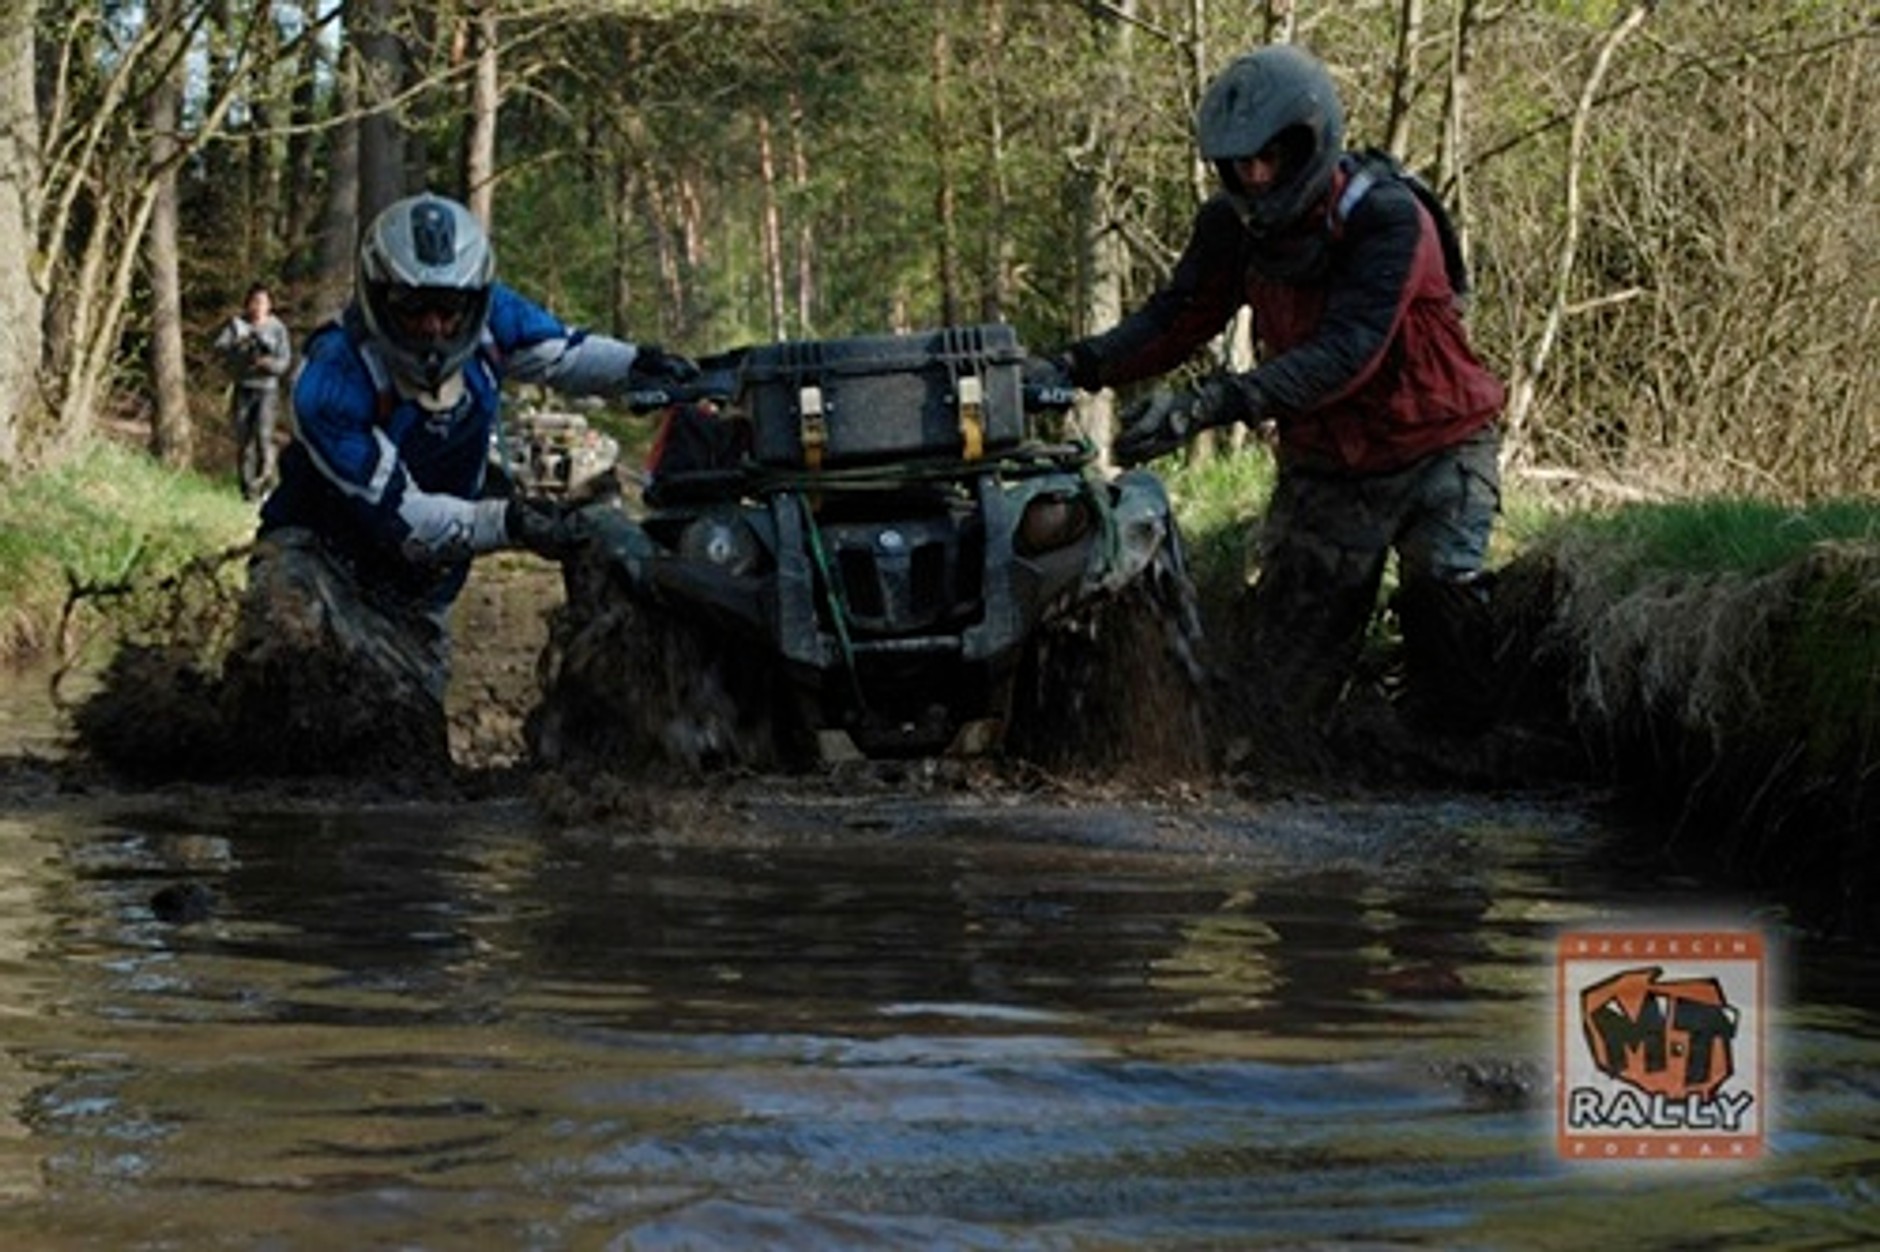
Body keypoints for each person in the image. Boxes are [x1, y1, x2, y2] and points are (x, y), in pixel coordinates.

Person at [1039, 45, 1507, 761]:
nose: (1255, 176)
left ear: (1310, 143)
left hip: (1436, 450)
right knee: (1278, 698)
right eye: (1239, 164)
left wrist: (1208, 404)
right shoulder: (1233, 226)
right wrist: (1075, 366)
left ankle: (1471, 761)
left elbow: (1348, 351)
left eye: (1271, 157)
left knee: (1442, 614)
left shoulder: (1389, 219)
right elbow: (1176, 317)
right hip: (1328, 465)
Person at [222, 191, 698, 773]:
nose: (434, 329)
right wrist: (515, 522)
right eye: (413, 309)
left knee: (405, 757)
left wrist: (647, 366)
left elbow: (568, 355)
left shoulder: (496, 318)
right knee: (286, 658)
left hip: (421, 592)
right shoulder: (331, 381)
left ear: (473, 301)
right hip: (317, 557)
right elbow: (406, 522)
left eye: (449, 310)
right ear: (378, 297)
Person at [213, 282, 294, 500]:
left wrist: (267, 363)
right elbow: (219, 348)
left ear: (270, 305)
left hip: (267, 390)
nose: (258, 307)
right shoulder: (238, 325)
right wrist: (238, 347)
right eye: (254, 302)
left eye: (263, 302)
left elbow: (285, 362)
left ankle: (266, 483)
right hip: (243, 387)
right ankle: (248, 490)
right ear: (247, 304)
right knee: (243, 439)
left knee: (263, 437)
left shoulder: (277, 328)